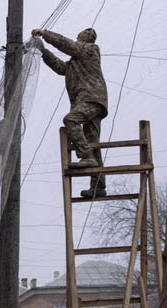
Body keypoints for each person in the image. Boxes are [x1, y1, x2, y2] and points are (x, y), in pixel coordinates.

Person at [32, 27, 108, 198]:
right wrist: (43, 50)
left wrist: (45, 34)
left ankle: (86, 156)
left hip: (91, 99)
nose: (78, 37)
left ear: (85, 38)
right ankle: (99, 185)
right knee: (92, 141)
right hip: (91, 100)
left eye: (80, 36)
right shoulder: (78, 60)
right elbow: (60, 67)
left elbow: (67, 45)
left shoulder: (89, 50)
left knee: (71, 120)